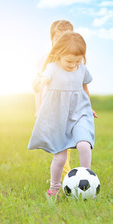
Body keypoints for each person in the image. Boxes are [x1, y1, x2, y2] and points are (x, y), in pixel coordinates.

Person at [28, 31, 96, 197]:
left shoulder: (82, 69)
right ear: (58, 54)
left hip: (80, 113)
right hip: (58, 118)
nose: (73, 65)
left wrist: (90, 107)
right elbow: (42, 81)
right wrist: (38, 84)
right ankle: (55, 188)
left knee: (84, 145)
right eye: (69, 61)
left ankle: (87, 179)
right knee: (60, 157)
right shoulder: (52, 68)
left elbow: (85, 87)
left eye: (78, 61)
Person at [34, 20, 74, 181]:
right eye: (58, 37)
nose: (61, 41)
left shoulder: (73, 59)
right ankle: (63, 178)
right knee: (59, 146)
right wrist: (38, 109)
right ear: (52, 38)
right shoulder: (44, 59)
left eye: (66, 37)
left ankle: (62, 178)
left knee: (63, 146)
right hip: (50, 108)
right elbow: (37, 87)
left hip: (68, 107)